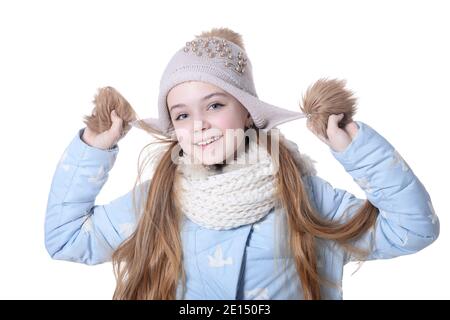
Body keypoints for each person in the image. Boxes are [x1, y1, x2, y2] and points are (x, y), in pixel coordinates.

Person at [44, 27, 439, 300]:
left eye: (214, 105)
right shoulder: (158, 199)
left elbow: (412, 229)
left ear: (248, 112)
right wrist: (93, 148)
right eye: (181, 115)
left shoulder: (302, 195)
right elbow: (66, 240)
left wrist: (357, 149)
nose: (198, 125)